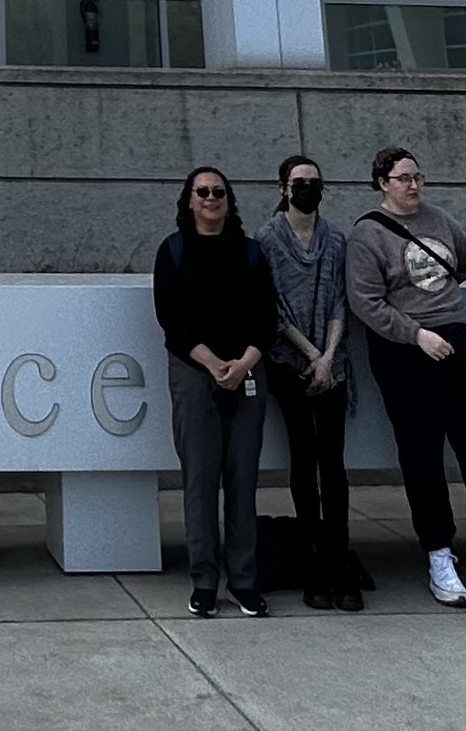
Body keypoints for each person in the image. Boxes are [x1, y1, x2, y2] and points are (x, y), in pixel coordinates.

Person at [347, 146, 466, 612]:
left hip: (459, 342)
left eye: (417, 176)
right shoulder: (367, 235)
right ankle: (439, 555)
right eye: (403, 178)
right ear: (382, 183)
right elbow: (365, 302)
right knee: (422, 459)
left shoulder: (440, 220)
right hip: (406, 353)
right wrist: (416, 334)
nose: (413, 185)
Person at [154, 165, 273, 617]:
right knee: (200, 482)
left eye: (218, 192)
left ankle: (244, 581)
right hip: (194, 373)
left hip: (247, 372)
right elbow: (171, 319)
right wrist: (211, 362)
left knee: (243, 480)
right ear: (189, 200)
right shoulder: (174, 251)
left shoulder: (251, 252)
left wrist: (243, 363)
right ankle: (204, 580)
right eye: (202, 191)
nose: (210, 198)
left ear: (229, 200)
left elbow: (266, 317)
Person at [256, 154, 359, 610]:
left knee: (333, 464)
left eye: (314, 181)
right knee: (304, 458)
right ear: (283, 188)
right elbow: (273, 309)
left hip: (333, 365)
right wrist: (312, 356)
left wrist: (329, 357)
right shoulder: (266, 239)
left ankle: (339, 559)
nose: (307, 188)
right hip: (288, 363)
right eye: (299, 182)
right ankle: (314, 560)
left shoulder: (335, 239)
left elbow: (340, 300)